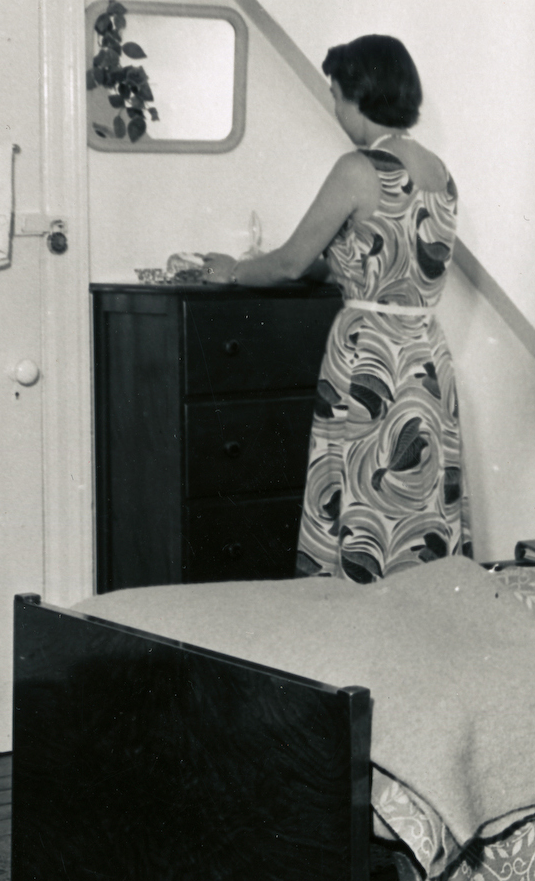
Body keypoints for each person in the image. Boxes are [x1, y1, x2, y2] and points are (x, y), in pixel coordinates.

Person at [193, 35, 472, 581]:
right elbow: (382, 255)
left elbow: (290, 263)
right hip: (426, 360)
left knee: (362, 494)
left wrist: (232, 271)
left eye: (337, 94)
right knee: (414, 498)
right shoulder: (439, 171)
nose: (335, 107)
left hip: (371, 356)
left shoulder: (357, 168)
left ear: (358, 95)